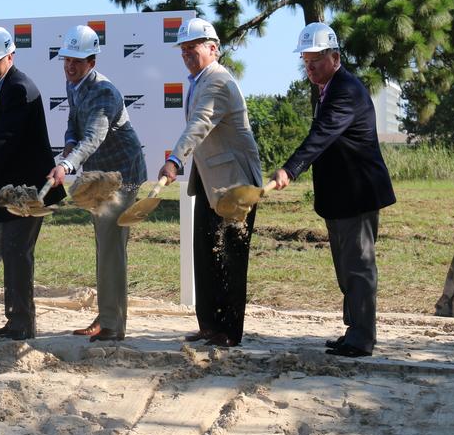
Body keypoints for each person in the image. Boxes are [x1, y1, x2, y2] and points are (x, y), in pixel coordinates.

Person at [272, 22, 395, 358]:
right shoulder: (329, 88)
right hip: (341, 196)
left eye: (316, 62)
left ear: (335, 57)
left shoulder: (346, 90)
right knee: (346, 267)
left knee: (358, 265)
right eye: (306, 63)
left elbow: (321, 137)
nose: (309, 69)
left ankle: (361, 338)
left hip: (357, 193)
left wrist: (290, 168)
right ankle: (354, 330)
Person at [158, 18, 261, 348]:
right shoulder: (199, 80)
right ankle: (209, 325)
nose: (187, 54)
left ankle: (228, 331)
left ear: (213, 49)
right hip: (210, 181)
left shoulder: (217, 81)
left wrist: (175, 158)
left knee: (229, 257)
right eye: (184, 49)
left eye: (194, 47)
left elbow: (200, 124)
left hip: (234, 183)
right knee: (206, 254)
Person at [47, 25, 147, 342]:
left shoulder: (104, 93)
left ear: (92, 61)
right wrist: (68, 142)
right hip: (99, 177)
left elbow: (93, 137)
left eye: (77, 61)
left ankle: (113, 326)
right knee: (105, 248)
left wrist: (65, 164)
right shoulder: (73, 83)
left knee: (111, 250)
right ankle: (106, 316)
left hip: (122, 177)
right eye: (67, 60)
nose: (70, 66)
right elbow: (75, 127)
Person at [0, 26, 65, 341]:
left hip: (27, 193)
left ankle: (21, 323)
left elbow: (8, 142)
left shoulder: (19, 88)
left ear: (11, 55)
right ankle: (16, 320)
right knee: (14, 252)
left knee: (17, 252)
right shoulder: (4, 85)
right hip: (15, 192)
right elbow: (2, 130)